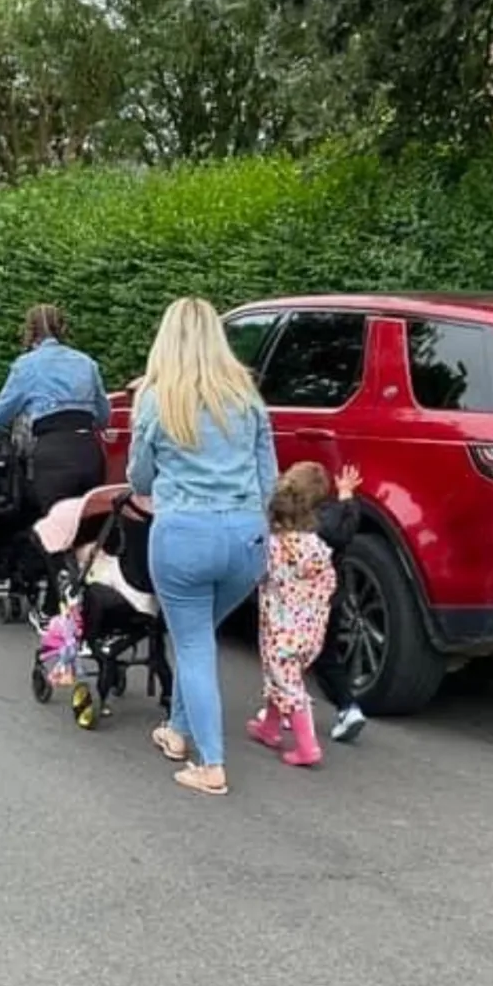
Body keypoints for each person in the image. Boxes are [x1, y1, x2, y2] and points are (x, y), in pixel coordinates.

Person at [127, 295, 276, 796]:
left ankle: (211, 764)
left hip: (184, 535)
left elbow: (139, 477)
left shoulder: (156, 399)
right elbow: (268, 479)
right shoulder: (247, 396)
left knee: (191, 643)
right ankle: (177, 731)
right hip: (247, 537)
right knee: (200, 637)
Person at [0, 304, 112, 513]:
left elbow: (2, 412)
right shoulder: (87, 363)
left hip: (52, 455)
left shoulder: (27, 365)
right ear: (63, 328)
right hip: (89, 453)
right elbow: (103, 417)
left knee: (50, 532)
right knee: (85, 530)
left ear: (30, 331)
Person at [247, 462, 340, 768]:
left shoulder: (273, 546)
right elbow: (329, 584)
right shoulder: (317, 547)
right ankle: (270, 727)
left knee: (287, 684)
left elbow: (260, 575)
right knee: (283, 677)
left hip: (280, 630)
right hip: (311, 629)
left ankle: (307, 746)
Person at [309, 465, 368, 743]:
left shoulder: (301, 526)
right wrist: (346, 494)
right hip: (332, 599)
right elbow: (349, 519)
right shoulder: (337, 522)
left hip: (302, 605)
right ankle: (349, 708)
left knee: (287, 660)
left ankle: (286, 711)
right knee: (328, 659)